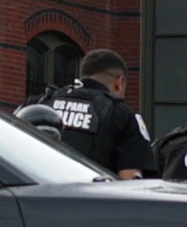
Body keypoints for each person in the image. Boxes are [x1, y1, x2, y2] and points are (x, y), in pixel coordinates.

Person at [35, 48, 156, 178]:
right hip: (90, 196)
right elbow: (131, 180)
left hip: (34, 194)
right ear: (119, 82)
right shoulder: (123, 115)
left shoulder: (41, 103)